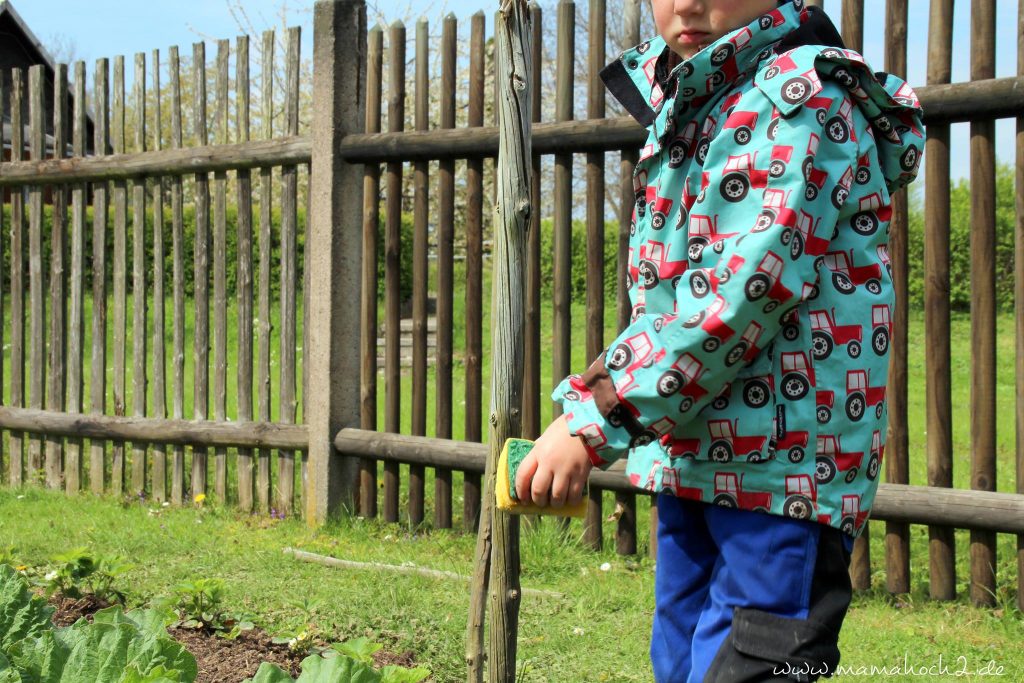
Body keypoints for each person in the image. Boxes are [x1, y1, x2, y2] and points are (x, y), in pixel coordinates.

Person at [513, 0, 924, 680]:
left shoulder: (800, 103)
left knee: (748, 668)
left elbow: (734, 297)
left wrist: (598, 414)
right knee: (680, 664)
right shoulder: (705, 98)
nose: (684, 4)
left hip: (780, 477)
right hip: (699, 456)